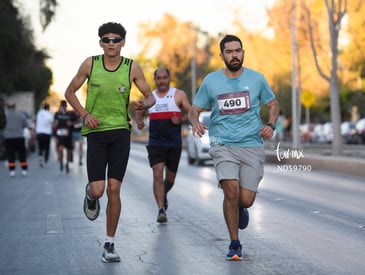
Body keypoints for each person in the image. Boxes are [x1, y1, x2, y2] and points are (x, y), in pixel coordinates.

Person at [64, 22, 155, 263]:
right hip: (95, 132)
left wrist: (140, 106)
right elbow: (69, 92)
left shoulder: (131, 67)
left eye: (116, 39)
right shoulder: (90, 64)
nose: (111, 43)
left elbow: (150, 97)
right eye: (107, 39)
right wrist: (85, 114)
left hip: (120, 133)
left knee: (114, 188)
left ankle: (109, 244)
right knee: (99, 189)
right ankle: (91, 196)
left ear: (123, 42)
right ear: (100, 43)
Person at [189, 34, 279, 261]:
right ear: (222, 56)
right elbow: (194, 108)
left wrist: (271, 124)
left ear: (243, 53)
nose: (234, 55)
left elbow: (273, 104)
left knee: (245, 199)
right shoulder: (211, 81)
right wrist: (195, 122)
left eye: (238, 50)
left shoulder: (257, 79)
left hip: (251, 144)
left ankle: (240, 208)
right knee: (230, 190)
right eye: (229, 52)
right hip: (223, 144)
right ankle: (235, 243)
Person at [135, 67, 190, 223]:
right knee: (157, 174)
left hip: (174, 143)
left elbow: (190, 112)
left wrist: (181, 120)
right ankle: (161, 209)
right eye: (158, 78)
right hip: (156, 142)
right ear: (155, 80)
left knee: (170, 179)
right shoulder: (149, 97)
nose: (162, 81)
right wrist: (139, 123)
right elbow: (139, 116)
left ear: (169, 78)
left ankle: (163, 193)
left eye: (164, 77)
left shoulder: (178, 95)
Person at [4, 102, 29, 177]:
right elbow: (25, 125)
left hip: (8, 138)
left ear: (7, 107)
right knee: (22, 154)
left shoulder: (4, 115)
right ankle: (24, 170)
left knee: (10, 155)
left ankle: (12, 171)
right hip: (19, 137)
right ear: (15, 107)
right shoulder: (20, 115)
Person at [53, 100, 76, 173]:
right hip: (60, 135)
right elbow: (54, 124)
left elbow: (77, 120)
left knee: (69, 150)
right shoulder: (56, 114)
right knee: (60, 149)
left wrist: (71, 123)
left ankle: (67, 164)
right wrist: (55, 135)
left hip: (69, 135)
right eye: (62, 106)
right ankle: (61, 162)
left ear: (66, 106)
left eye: (64, 106)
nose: (63, 107)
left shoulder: (70, 113)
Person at [35, 103, 54, 167]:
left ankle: (40, 157)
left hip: (39, 132)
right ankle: (45, 161)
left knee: (40, 147)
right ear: (48, 108)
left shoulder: (39, 113)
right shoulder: (50, 114)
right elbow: (52, 122)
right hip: (47, 133)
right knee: (47, 148)